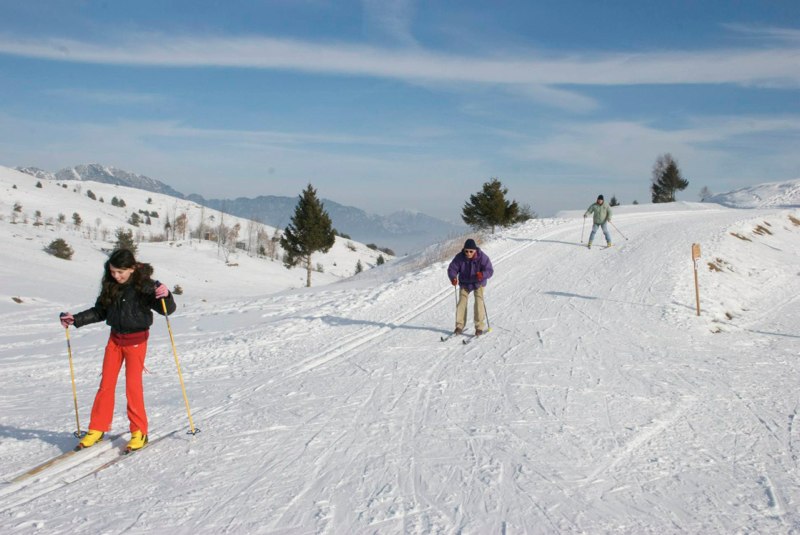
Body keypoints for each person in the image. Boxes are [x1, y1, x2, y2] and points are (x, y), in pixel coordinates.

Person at [59, 249, 176, 452]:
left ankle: (139, 432)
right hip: (115, 340)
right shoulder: (110, 285)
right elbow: (100, 311)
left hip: (136, 342)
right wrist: (75, 319)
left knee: (133, 387)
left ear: (132, 268)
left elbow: (166, 309)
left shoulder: (145, 285)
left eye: (120, 272)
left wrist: (166, 296)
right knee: (106, 385)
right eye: (113, 271)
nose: (116, 276)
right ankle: (97, 428)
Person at [447, 238, 494, 336]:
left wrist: (482, 275)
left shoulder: (482, 257)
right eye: (466, 251)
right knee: (461, 302)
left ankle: (479, 327)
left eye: (471, 251)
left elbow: (489, 270)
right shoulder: (460, 257)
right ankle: (459, 326)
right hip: (465, 283)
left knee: (478, 302)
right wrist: (453, 278)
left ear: (475, 250)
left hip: (478, 283)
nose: (468, 253)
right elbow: (452, 269)